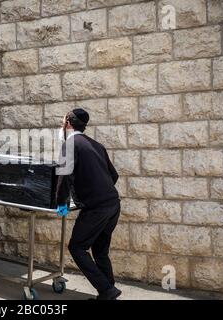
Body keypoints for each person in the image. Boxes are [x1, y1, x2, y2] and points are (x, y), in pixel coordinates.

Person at [55, 108, 122, 300]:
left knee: (77, 247)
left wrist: (61, 203)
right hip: (113, 204)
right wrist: (101, 191)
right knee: (100, 251)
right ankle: (107, 292)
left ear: (68, 123)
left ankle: (107, 290)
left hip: (97, 209)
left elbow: (64, 177)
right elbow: (114, 175)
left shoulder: (70, 144)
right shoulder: (97, 145)